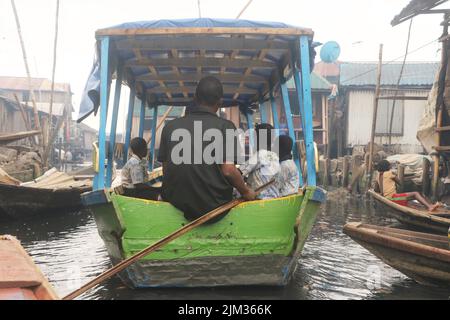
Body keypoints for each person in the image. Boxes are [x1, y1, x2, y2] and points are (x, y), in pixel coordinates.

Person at [158, 76, 256, 222]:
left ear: (196, 98)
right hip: (216, 207)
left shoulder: (170, 127)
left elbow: (166, 171)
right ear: (220, 102)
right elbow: (228, 170)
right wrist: (246, 191)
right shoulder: (226, 126)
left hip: (176, 203)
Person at [239, 123, 281, 200]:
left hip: (259, 199)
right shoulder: (274, 155)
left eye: (255, 137)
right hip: (274, 197)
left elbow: (239, 172)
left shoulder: (260, 154)